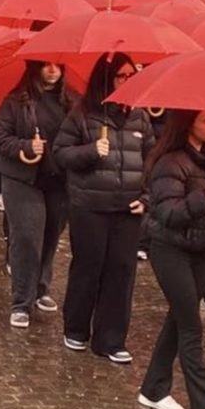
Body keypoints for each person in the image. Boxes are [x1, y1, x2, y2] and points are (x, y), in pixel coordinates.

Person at [54, 53, 153, 362]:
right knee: (89, 267)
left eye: (131, 75)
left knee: (122, 272)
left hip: (127, 209)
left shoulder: (140, 116)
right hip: (90, 206)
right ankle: (76, 327)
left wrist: (147, 197)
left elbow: (153, 161)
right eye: (122, 76)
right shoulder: (82, 114)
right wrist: (89, 151)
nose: (127, 81)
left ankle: (111, 339)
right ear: (107, 79)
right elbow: (61, 154)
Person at [138, 110, 205, 409]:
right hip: (171, 250)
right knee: (191, 327)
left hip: (201, 251)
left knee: (178, 321)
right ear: (187, 122)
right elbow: (168, 213)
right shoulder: (169, 163)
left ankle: (153, 389)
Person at [0, 62, 74, 329]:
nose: (52, 70)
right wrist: (25, 146)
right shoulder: (17, 101)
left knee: (51, 234)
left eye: (57, 66)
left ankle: (41, 286)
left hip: (58, 179)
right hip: (22, 179)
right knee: (27, 236)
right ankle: (21, 301)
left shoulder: (73, 102)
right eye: (46, 65)